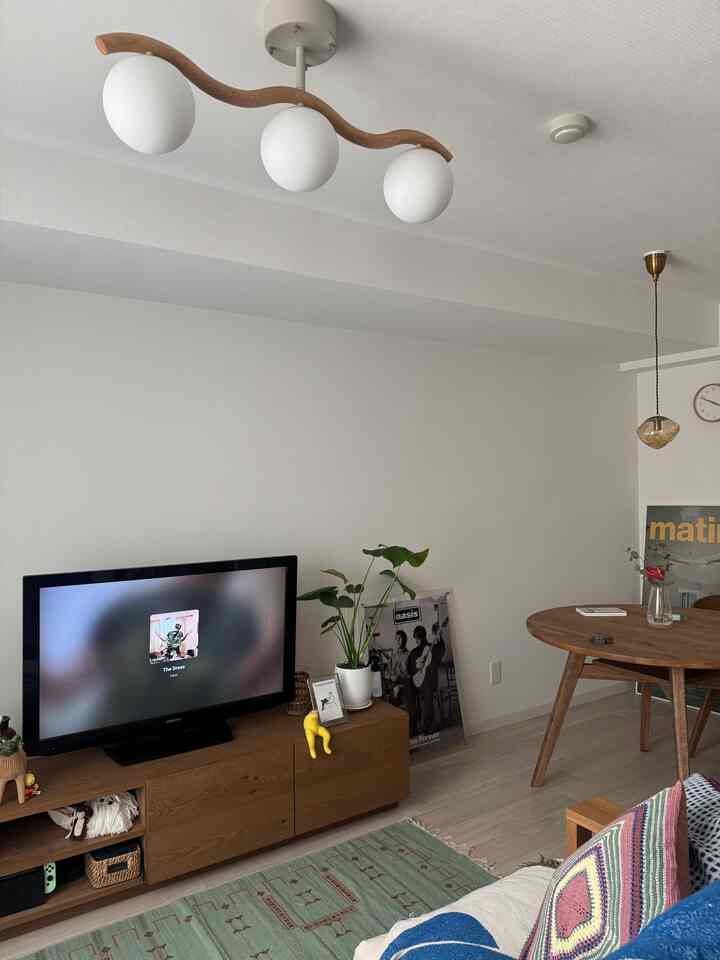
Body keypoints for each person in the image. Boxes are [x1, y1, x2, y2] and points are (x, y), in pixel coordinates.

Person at [390, 630, 410, 706]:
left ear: (404, 639)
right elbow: (392, 670)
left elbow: (407, 673)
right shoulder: (394, 655)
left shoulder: (408, 654)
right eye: (396, 638)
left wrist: (400, 669)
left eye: (399, 638)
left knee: (395, 689)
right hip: (396, 680)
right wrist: (392, 673)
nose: (397, 641)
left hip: (405, 680)